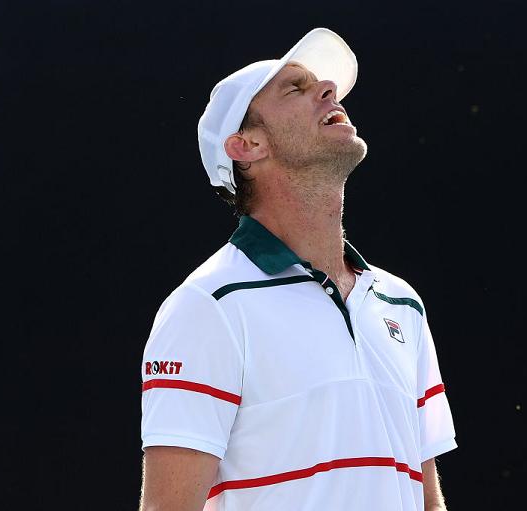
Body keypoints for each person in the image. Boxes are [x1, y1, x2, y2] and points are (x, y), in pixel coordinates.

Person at [139, 28, 458, 511]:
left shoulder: (403, 303)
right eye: (295, 88)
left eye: (321, 84)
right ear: (246, 146)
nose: (328, 90)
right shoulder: (208, 305)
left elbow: (426, 497)